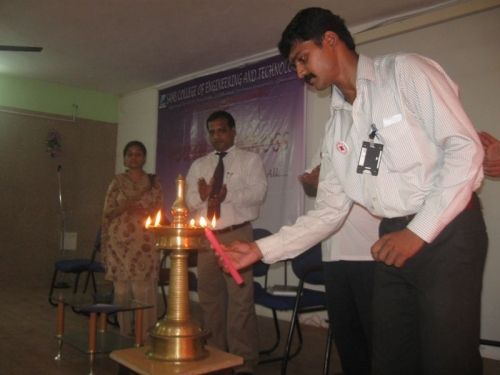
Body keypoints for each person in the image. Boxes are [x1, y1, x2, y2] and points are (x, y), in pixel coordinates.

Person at [225, 7, 487, 375]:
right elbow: (330, 211)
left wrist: (417, 232)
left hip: (448, 232)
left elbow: (465, 148)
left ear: (330, 40)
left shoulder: (405, 72)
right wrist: (259, 249)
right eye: (295, 65)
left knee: (448, 358)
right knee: (391, 358)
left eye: (303, 59)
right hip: (391, 238)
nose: (300, 72)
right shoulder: (338, 130)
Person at [185, 110, 267, 375]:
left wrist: (225, 195)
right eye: (211, 131)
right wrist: (203, 197)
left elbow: (258, 193)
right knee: (209, 299)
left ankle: (243, 361)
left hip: (237, 235)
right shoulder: (199, 165)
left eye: (221, 130)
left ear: (233, 131)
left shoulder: (250, 160)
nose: (216, 136)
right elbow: (189, 201)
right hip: (207, 238)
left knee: (240, 301)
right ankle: (215, 356)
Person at [300, 159, 380, 375]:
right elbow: (310, 188)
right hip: (332, 253)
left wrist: (325, 179)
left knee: (375, 332)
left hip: (366, 253)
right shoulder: (329, 140)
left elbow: (366, 182)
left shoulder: (371, 136)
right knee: (344, 330)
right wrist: (311, 181)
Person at [101, 140, 163, 339]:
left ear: (144, 158)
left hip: (144, 242)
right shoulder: (116, 182)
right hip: (119, 243)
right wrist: (125, 207)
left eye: (138, 154)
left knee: (143, 289)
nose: (134, 157)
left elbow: (159, 211)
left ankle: (146, 336)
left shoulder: (153, 182)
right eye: (130, 154)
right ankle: (125, 334)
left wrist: (143, 210)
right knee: (121, 291)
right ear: (125, 159)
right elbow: (107, 212)